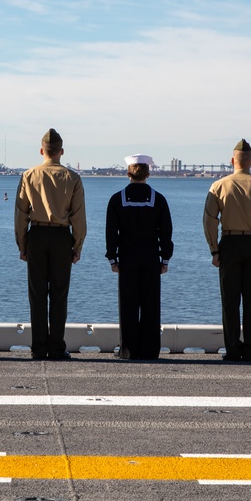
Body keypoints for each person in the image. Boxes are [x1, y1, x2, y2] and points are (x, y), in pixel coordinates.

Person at [14, 128, 87, 360]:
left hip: (36, 235)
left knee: (36, 295)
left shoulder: (28, 175)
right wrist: (77, 246)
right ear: (61, 152)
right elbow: (78, 218)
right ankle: (56, 347)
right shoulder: (73, 178)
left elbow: (20, 216)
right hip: (61, 237)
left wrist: (22, 245)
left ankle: (38, 347)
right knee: (59, 294)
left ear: (41, 151)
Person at [202, 139, 251, 362]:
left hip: (229, 243)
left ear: (232, 161)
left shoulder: (219, 186)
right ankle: (250, 349)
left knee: (230, 300)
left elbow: (209, 221)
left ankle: (233, 349)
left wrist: (214, 250)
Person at [105, 154, 174, 360]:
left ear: (128, 173)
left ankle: (128, 350)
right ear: (148, 173)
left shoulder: (117, 199)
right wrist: (165, 258)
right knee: (151, 304)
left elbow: (111, 232)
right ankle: (150, 350)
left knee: (128, 304)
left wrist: (112, 258)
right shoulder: (158, 199)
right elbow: (166, 232)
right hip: (151, 257)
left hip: (127, 258)